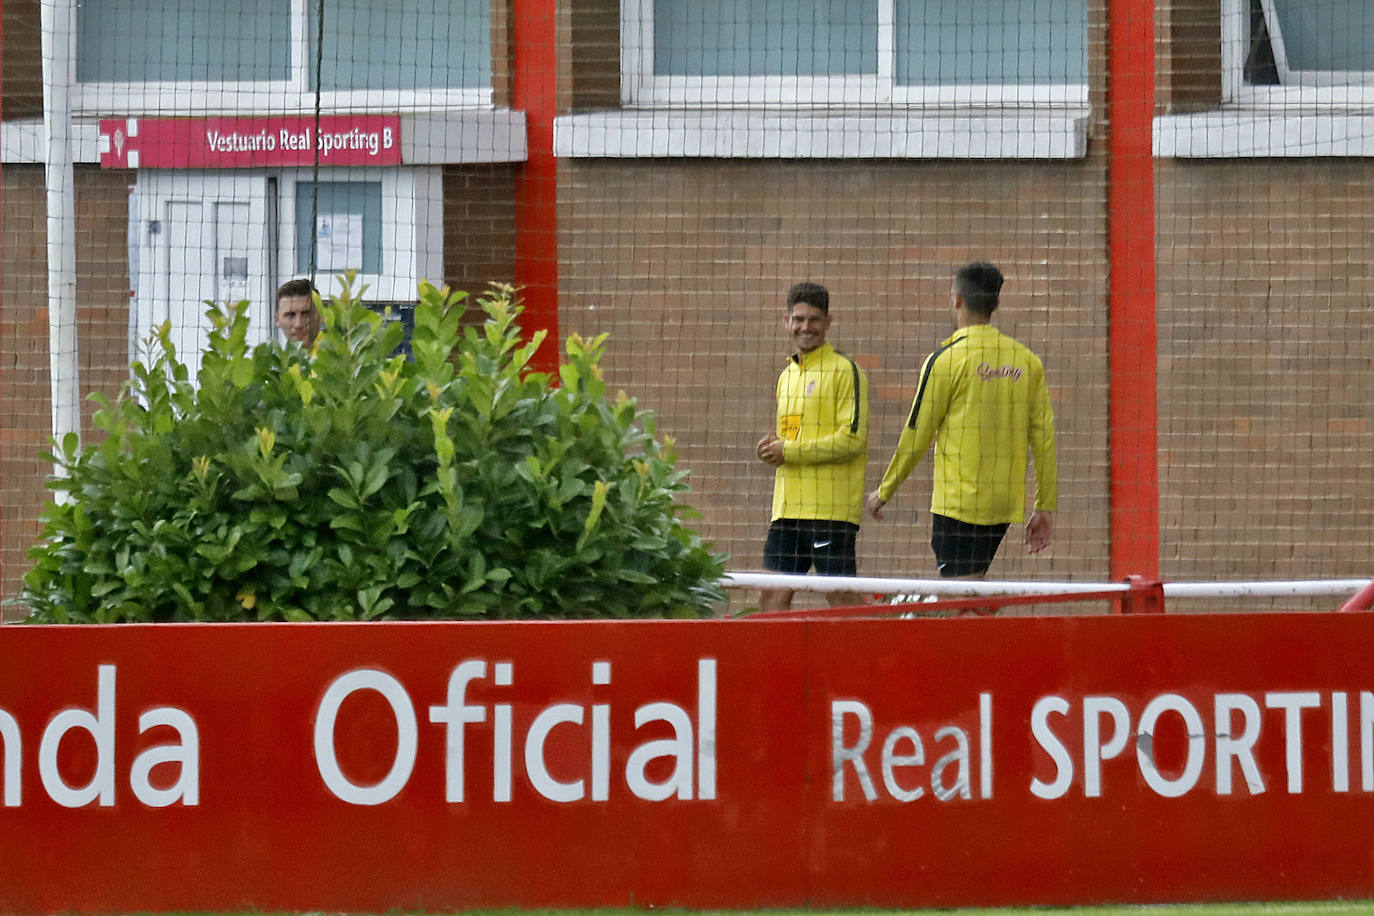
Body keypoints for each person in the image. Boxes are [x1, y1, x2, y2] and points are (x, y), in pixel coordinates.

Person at [866, 261, 1057, 582]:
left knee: (960, 597)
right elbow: (1045, 438)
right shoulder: (1027, 361)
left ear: (956, 298)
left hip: (958, 504)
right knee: (971, 590)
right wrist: (1045, 505)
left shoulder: (945, 360)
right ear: (996, 303)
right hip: (1002, 505)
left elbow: (917, 434)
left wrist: (884, 491)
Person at [756, 282, 869, 611]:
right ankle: (774, 664)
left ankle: (865, 662)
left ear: (828, 322)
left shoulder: (847, 371)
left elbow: (852, 439)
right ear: (786, 321)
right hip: (786, 510)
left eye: (814, 320)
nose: (806, 327)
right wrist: (770, 451)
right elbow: (788, 438)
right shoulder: (786, 375)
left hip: (830, 511)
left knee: (840, 598)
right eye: (799, 319)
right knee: (770, 596)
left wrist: (788, 451)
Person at [275, 278, 321, 346]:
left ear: (321, 316)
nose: (298, 324)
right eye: (290, 315)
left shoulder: (340, 354)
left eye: (306, 314)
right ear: (278, 319)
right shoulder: (270, 356)